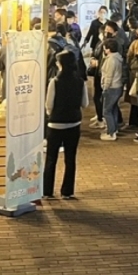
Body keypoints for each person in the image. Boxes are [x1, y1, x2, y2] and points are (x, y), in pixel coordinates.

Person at [43, 49, 89, 200]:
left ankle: (47, 191)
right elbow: (85, 103)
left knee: (51, 158)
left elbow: (49, 104)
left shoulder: (55, 82)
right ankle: (67, 191)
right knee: (70, 158)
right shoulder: (80, 82)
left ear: (60, 64)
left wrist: (51, 114)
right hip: (74, 123)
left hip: (55, 124)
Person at [98, 38, 124, 141]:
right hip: (117, 86)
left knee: (106, 111)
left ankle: (111, 133)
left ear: (108, 49)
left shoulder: (111, 60)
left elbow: (109, 76)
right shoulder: (117, 58)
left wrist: (105, 87)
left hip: (111, 87)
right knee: (113, 109)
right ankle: (114, 129)